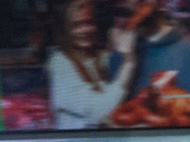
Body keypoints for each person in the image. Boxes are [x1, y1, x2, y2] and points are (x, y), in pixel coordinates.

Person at [45, 0, 136, 130]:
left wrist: (116, 45)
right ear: (65, 30)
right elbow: (98, 110)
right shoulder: (60, 63)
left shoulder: (95, 58)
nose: (85, 30)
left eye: (88, 22)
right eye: (76, 25)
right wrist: (129, 62)